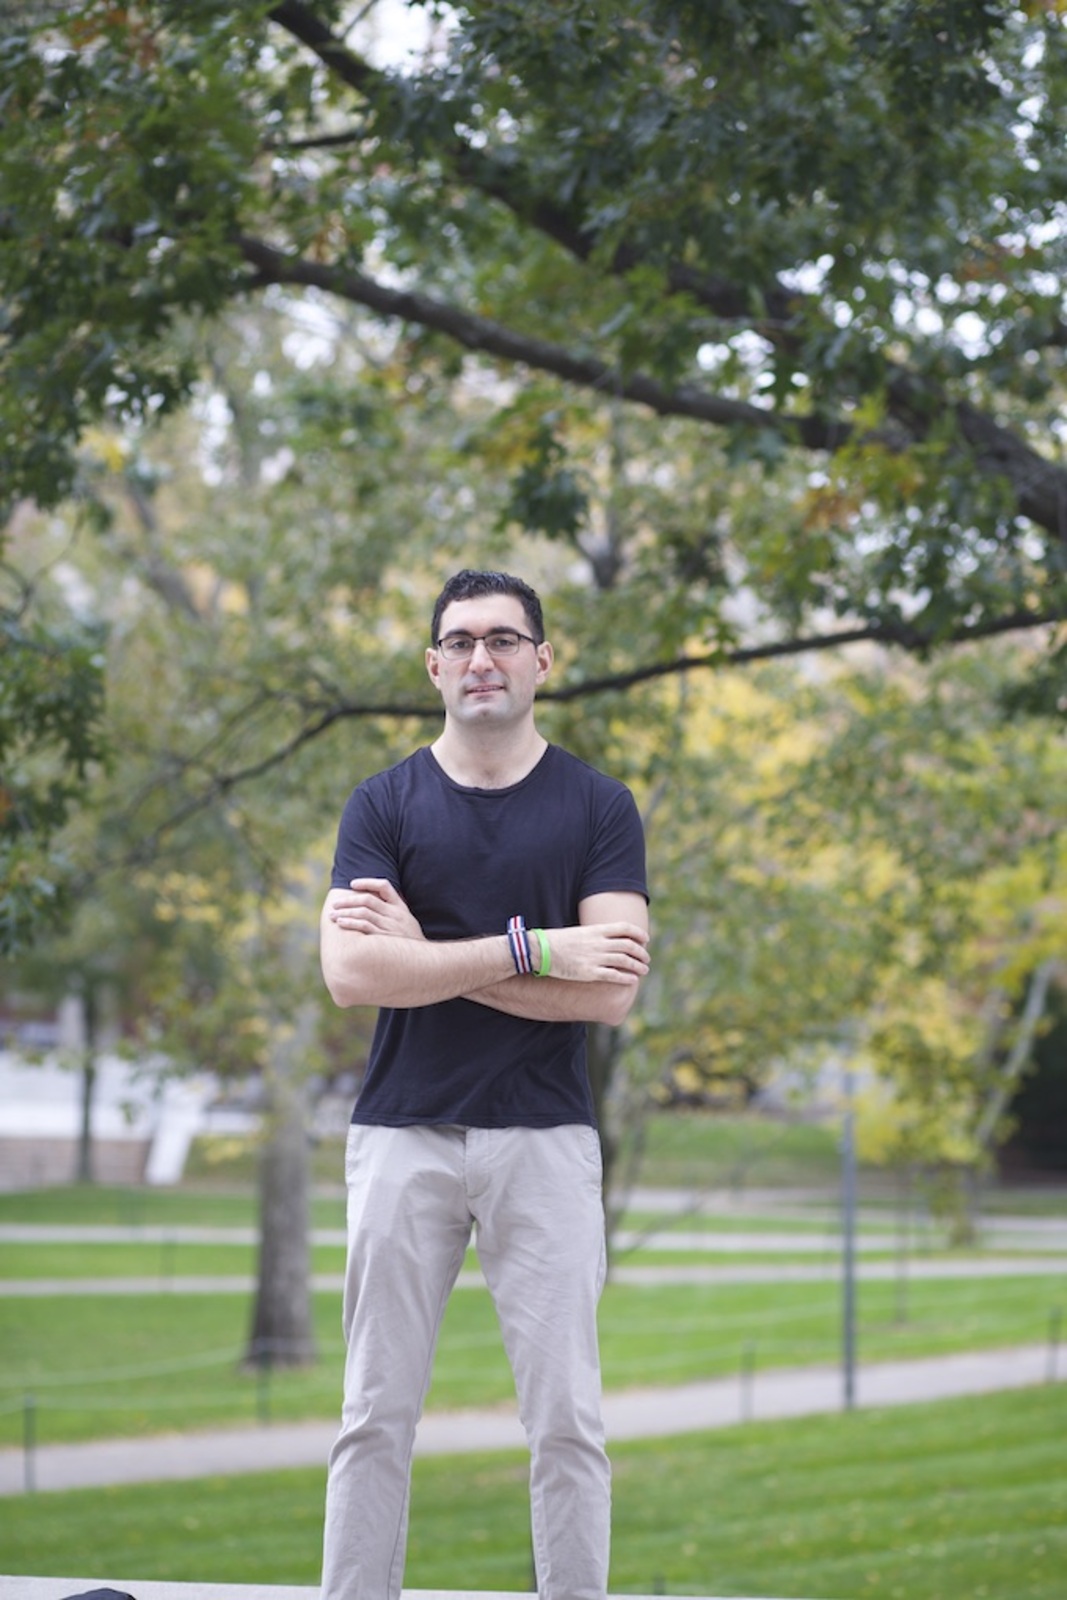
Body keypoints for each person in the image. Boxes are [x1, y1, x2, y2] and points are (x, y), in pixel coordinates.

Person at [318, 569, 651, 1600]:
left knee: (566, 1421)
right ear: (433, 665)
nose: (481, 658)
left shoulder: (598, 806)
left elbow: (610, 992)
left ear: (542, 661)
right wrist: (536, 949)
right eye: (460, 641)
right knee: (374, 1413)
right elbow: (352, 976)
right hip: (400, 1134)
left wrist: (440, 957)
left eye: (505, 639)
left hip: (545, 1139)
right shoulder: (382, 802)